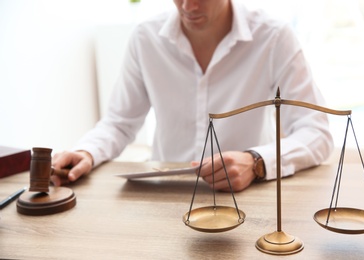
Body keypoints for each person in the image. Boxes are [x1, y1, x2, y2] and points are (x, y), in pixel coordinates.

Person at [52, 0, 333, 192]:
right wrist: (87, 150)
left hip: (248, 196)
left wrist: (256, 161)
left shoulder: (273, 37)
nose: (188, 6)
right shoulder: (145, 38)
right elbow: (120, 122)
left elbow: (317, 131)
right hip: (165, 196)